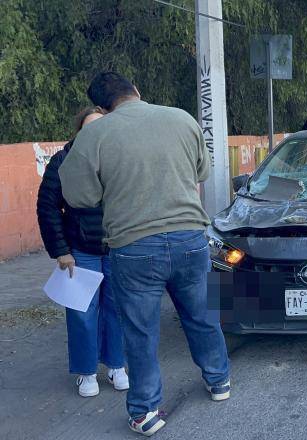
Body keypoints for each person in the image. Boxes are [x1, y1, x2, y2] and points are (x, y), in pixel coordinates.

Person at [58, 72, 230, 437]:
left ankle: (145, 411)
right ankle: (219, 381)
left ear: (103, 107)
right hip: (190, 238)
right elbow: (202, 170)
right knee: (202, 315)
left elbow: (78, 197)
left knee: (140, 331)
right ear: (136, 89)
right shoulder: (182, 118)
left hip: (134, 247)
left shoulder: (95, 134)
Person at [36, 107, 129, 398]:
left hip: (117, 247)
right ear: (79, 131)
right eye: (89, 127)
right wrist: (60, 250)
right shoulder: (63, 161)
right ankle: (86, 372)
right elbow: (47, 207)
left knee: (118, 310)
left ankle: (116, 365)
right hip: (80, 251)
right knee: (81, 314)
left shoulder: (121, 158)